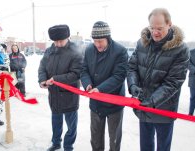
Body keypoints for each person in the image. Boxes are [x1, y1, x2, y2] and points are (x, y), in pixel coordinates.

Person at [127, 8, 189, 151]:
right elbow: (132, 68)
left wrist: (153, 101)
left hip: (164, 110)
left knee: (163, 147)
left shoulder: (180, 49)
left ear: (169, 25)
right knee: (146, 146)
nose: (155, 32)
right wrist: (133, 85)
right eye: (152, 28)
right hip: (143, 106)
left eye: (159, 28)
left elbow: (174, 82)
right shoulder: (142, 43)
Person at [80, 21, 128, 151]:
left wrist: (100, 89)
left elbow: (119, 76)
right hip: (95, 103)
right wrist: (87, 83)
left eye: (100, 41)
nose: (97, 44)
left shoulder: (120, 51)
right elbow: (83, 70)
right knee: (95, 139)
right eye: (95, 41)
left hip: (114, 103)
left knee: (114, 140)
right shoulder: (89, 49)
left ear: (108, 37)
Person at [38, 24, 83, 151]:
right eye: (55, 41)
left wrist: (56, 79)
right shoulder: (50, 50)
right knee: (56, 122)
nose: (57, 44)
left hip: (69, 95)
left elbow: (76, 73)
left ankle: (68, 146)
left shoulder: (75, 51)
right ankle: (56, 142)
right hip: (54, 94)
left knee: (71, 125)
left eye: (60, 41)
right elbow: (42, 67)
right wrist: (42, 80)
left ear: (67, 37)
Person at [188, 48, 195, 115]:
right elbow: (188, 63)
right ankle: (190, 113)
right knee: (193, 97)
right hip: (193, 79)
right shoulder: (191, 52)